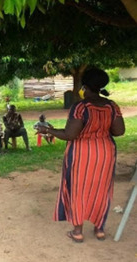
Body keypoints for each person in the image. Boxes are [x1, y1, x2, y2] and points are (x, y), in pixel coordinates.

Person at [36, 68, 125, 243]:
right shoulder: (111, 106)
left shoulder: (81, 107)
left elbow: (70, 135)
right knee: (102, 190)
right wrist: (101, 128)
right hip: (105, 154)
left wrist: (47, 130)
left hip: (82, 155)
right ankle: (99, 230)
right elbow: (119, 131)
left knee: (79, 189)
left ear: (84, 86)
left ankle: (78, 231)